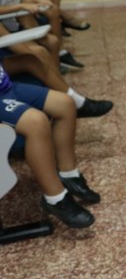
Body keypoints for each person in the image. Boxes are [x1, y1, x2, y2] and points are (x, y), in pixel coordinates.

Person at [0, 58, 100, 228]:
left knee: (65, 104)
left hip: (7, 88)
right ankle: (55, 198)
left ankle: (69, 175)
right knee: (36, 122)